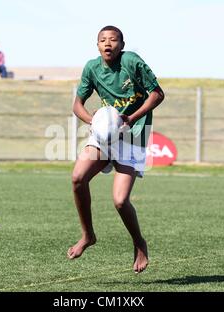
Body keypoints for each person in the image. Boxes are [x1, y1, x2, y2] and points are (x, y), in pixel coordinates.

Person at [68, 25, 165, 273]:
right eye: (103, 40)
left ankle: (139, 243)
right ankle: (88, 235)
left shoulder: (131, 61)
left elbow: (157, 94)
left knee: (120, 201)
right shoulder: (92, 67)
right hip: (105, 134)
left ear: (122, 45)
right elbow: (77, 104)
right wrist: (94, 122)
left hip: (133, 134)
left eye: (113, 40)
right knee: (78, 177)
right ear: (97, 45)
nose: (108, 43)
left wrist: (131, 118)